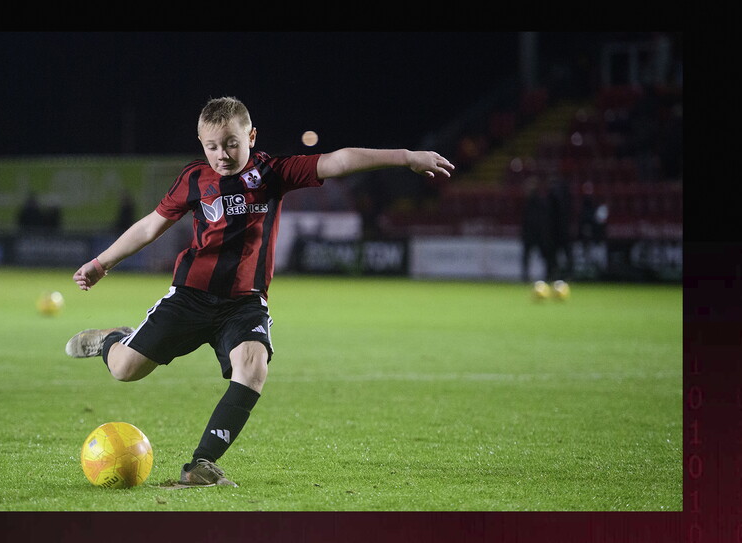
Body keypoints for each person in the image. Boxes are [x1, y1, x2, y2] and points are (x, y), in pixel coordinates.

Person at [65, 96, 454, 487]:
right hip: (191, 295)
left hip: (245, 303)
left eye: (231, 143)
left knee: (253, 366)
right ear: (201, 143)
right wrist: (101, 263)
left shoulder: (272, 172)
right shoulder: (194, 179)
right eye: (212, 146)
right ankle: (112, 340)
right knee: (124, 370)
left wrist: (407, 157)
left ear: (251, 137)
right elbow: (151, 226)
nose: (222, 154)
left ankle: (201, 464)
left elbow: (338, 160)